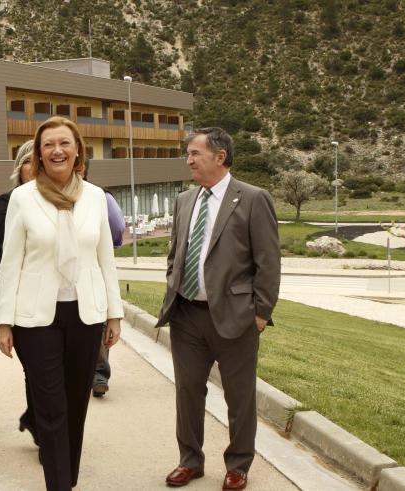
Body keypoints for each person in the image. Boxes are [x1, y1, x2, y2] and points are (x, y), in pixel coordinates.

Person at [0, 116, 123, 491]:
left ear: (78, 149)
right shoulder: (23, 197)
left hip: (86, 315)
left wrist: (114, 315)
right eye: (48, 144)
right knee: (51, 408)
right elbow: (10, 262)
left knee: (75, 408)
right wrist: (4, 321)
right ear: (38, 153)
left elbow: (105, 260)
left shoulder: (96, 197)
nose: (57, 150)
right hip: (36, 319)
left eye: (64, 143)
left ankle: (67, 480)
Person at [155, 127, 280, 490]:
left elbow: (268, 263)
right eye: (188, 153)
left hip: (236, 318)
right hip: (187, 314)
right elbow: (175, 254)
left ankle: (238, 465)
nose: (189, 159)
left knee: (240, 397)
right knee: (188, 392)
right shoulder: (183, 200)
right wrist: (173, 284)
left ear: (220, 157)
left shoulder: (254, 199)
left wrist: (259, 314)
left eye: (195, 153)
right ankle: (190, 461)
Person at [0, 140, 39, 445]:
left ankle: (37, 418)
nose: (34, 168)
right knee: (35, 370)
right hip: (23, 299)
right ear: (18, 168)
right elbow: (2, 256)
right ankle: (40, 426)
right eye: (28, 162)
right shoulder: (6, 202)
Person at [80, 161, 125, 399]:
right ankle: (98, 373)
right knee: (96, 318)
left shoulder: (98, 197)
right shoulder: (102, 195)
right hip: (97, 263)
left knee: (94, 317)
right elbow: (118, 227)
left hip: (90, 265)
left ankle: (95, 373)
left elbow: (116, 227)